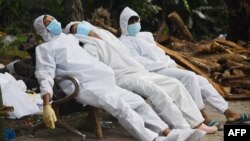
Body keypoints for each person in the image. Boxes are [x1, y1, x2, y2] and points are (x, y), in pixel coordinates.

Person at [33, 14, 206, 141]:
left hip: (104, 81)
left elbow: (87, 34)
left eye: (54, 19)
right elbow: (45, 75)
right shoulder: (44, 49)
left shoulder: (69, 39)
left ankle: (170, 133)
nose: (55, 22)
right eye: (49, 22)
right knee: (122, 108)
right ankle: (153, 139)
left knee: (138, 102)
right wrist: (47, 104)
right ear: (42, 29)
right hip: (85, 86)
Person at [64, 20, 217, 133]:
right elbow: (97, 68)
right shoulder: (89, 46)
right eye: (75, 29)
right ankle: (182, 127)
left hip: (137, 70)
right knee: (155, 90)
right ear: (74, 34)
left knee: (173, 83)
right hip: (121, 77)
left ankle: (196, 123)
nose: (80, 28)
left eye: (79, 24)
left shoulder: (107, 36)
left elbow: (127, 54)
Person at [119, 7, 250, 127]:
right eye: (131, 22)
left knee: (201, 81)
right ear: (124, 24)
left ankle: (229, 113)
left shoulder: (144, 36)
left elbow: (161, 54)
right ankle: (202, 116)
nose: (135, 24)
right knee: (189, 77)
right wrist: (166, 65)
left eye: (136, 20)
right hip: (153, 72)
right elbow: (140, 63)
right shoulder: (124, 42)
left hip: (166, 68)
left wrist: (171, 64)